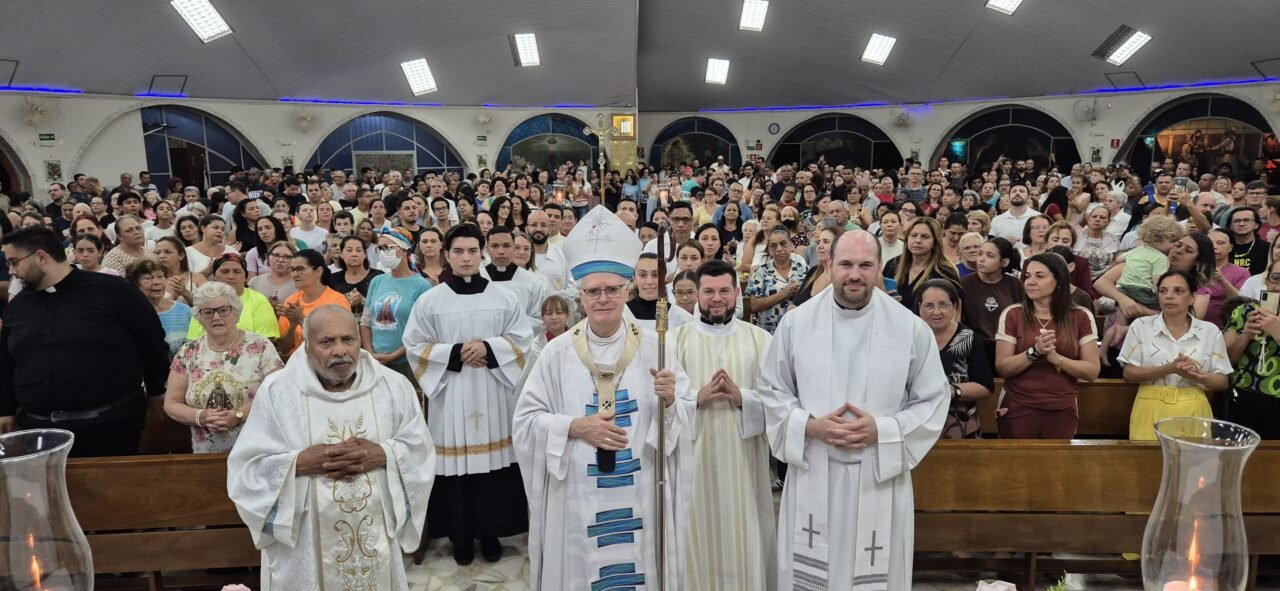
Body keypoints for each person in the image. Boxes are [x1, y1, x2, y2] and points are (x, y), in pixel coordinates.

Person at [514, 205, 694, 589]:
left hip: (640, 488)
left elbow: (684, 416)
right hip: (579, 495)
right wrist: (574, 427)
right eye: (593, 291)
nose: (603, 298)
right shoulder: (557, 352)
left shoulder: (656, 347)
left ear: (627, 289)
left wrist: (671, 402)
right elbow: (526, 422)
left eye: (613, 289)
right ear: (578, 294)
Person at [760, 229, 948, 590]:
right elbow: (772, 389)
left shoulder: (909, 327)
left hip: (878, 470)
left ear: (880, 267)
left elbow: (933, 399)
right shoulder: (797, 323)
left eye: (865, 265)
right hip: (815, 464)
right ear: (828, 264)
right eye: (845, 264)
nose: (855, 275)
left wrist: (883, 430)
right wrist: (809, 426)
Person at [227, 305, 435, 591]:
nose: (339, 350)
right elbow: (246, 469)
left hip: (375, 542)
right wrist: (298, 463)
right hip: (304, 548)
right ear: (307, 344)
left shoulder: (392, 386)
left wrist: (384, 454)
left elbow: (420, 449)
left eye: (348, 339)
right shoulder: (278, 392)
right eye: (327, 342)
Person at [402, 223, 534, 565]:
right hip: (452, 394)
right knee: (458, 468)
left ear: (482, 252)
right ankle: (461, 537)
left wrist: (488, 348)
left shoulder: (504, 298)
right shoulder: (431, 301)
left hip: (492, 392)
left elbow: (522, 339)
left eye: (472, 251)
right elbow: (414, 345)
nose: (465, 257)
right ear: (447, 255)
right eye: (458, 251)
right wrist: (457, 352)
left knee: (493, 467)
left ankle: (491, 534)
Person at [0, 226, 170, 456]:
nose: (10, 271)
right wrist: (6, 409)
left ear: (41, 256)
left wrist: (156, 389)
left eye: (14, 261)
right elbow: (6, 361)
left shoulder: (114, 292)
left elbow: (151, 343)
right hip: (39, 430)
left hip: (110, 427)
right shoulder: (19, 306)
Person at [668, 259, 776, 589]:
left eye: (725, 291)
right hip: (693, 463)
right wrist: (695, 399)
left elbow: (778, 400)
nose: (717, 299)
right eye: (709, 291)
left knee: (745, 530)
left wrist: (744, 397)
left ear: (737, 292)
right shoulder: (675, 341)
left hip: (745, 462)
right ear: (696, 295)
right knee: (696, 534)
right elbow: (659, 404)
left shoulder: (760, 340)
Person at [164, 281, 283, 452]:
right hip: (206, 452)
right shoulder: (188, 352)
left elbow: (279, 393)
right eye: (208, 312)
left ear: (236, 313)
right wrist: (201, 417)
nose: (216, 317)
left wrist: (239, 415)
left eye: (223, 310)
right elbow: (172, 403)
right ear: (199, 317)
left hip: (257, 449)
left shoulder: (260, 346)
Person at [995, 253, 1101, 438]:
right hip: (1018, 405)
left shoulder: (1081, 316)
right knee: (1015, 465)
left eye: (1040, 276)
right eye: (1027, 276)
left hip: (1062, 407)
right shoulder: (1013, 314)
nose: (1030, 282)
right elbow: (1003, 367)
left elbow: (1092, 371)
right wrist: (1034, 352)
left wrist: (1057, 359)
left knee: (1057, 466)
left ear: (1059, 280)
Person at [1118, 271, 1231, 440]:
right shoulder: (1141, 326)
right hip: (1149, 405)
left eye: (1178, 291)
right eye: (1163, 291)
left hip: (1194, 407)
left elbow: (1222, 382)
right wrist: (1169, 369)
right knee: (1147, 464)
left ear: (1192, 297)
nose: (1169, 296)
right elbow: (1129, 373)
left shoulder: (1210, 331)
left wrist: (1196, 375)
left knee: (1194, 465)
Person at [917, 279, 994, 439]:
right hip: (916, 423)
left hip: (960, 424)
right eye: (929, 306)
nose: (936, 312)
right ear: (919, 308)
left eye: (943, 305)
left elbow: (985, 386)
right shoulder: (909, 337)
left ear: (955, 307)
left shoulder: (968, 338)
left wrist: (950, 391)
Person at [360, 228, 431, 384]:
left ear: (404, 250)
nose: (384, 252)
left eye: (389, 248)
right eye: (380, 248)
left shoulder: (422, 285)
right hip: (375, 361)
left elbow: (423, 331)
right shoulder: (377, 281)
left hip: (407, 362)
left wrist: (394, 355)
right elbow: (366, 321)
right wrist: (370, 353)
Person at [1224, 258, 1280, 439]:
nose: (1278, 285)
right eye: (1275, 277)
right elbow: (1227, 362)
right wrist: (1245, 336)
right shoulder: (1244, 311)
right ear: (1267, 281)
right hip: (1243, 394)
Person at [187, 253, 281, 341]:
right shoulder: (204, 301)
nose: (231, 276)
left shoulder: (258, 300)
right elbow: (194, 340)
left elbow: (266, 341)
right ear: (214, 276)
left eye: (237, 272)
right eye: (225, 271)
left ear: (245, 277)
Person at [276, 249, 351, 356]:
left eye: (300, 269)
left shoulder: (337, 301)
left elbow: (337, 340)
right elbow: (284, 349)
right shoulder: (291, 301)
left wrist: (302, 320)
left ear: (318, 271)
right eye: (292, 269)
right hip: (298, 363)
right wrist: (292, 326)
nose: (295, 274)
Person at [482, 225, 551, 333]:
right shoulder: (478, 279)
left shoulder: (531, 282)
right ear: (487, 249)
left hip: (519, 345)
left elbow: (539, 319)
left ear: (513, 248)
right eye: (495, 246)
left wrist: (509, 327)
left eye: (506, 246)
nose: (501, 251)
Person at [883, 217, 960, 312]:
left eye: (925, 236)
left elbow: (956, 309)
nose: (917, 240)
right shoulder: (893, 264)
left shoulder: (945, 272)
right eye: (914, 235)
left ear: (935, 242)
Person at [746, 226, 809, 333]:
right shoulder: (761, 272)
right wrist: (783, 294)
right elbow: (754, 306)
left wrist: (799, 294)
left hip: (799, 329)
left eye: (783, 243)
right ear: (769, 250)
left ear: (791, 245)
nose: (779, 249)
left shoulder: (803, 269)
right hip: (769, 331)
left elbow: (813, 298)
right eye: (773, 246)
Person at [126, 258, 192, 358]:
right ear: (135, 284)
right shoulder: (130, 314)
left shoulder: (184, 310)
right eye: (148, 278)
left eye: (160, 276)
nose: (157, 282)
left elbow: (196, 344)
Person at [627, 253, 695, 333]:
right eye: (642, 275)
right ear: (634, 278)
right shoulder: (622, 314)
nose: (649, 281)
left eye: (655, 275)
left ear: (664, 277)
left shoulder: (682, 318)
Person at [328, 235, 382, 317]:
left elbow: (384, 307)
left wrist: (363, 301)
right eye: (349, 250)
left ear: (364, 255)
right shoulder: (332, 279)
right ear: (341, 254)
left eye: (358, 250)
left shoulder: (378, 277)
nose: (354, 254)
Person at [247, 240, 298, 305]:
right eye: (276, 255)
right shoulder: (255, 282)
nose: (280, 260)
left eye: (286, 257)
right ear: (268, 257)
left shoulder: (299, 284)